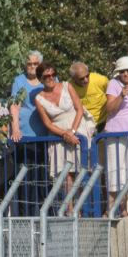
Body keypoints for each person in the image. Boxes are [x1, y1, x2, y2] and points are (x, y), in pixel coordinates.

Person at [33, 61, 90, 197]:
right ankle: (70, 207)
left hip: (77, 128)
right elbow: (47, 123)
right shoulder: (39, 98)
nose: (51, 78)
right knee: (65, 174)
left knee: (81, 170)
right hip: (58, 135)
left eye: (53, 74)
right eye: (47, 76)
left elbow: (79, 109)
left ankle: (81, 205)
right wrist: (65, 134)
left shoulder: (67, 86)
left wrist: (72, 131)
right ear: (40, 79)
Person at [102, 56, 128, 215]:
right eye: (122, 71)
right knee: (114, 172)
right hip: (115, 133)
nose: (125, 73)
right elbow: (110, 109)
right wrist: (121, 96)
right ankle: (110, 210)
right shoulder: (113, 83)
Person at [9, 51, 45, 142]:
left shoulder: (49, 78)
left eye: (35, 64)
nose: (32, 66)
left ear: (40, 64)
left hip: (47, 134)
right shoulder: (19, 81)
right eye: (29, 64)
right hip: (24, 135)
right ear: (25, 65)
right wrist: (15, 129)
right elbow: (14, 106)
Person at [67, 61, 109, 130]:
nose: (86, 80)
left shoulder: (100, 80)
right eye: (81, 79)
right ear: (73, 78)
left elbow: (113, 95)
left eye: (87, 76)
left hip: (103, 121)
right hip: (84, 124)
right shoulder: (69, 87)